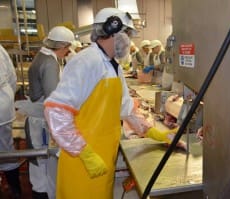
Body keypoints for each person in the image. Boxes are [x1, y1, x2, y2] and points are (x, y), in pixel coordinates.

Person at [43, 7, 185, 199]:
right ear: (112, 31)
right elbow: (56, 111)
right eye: (127, 34)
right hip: (82, 163)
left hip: (104, 158)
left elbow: (127, 111)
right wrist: (86, 154)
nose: (129, 41)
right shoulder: (87, 61)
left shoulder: (112, 66)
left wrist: (159, 135)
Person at [26, 26, 75, 199]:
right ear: (62, 45)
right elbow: (53, 99)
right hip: (41, 122)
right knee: (43, 166)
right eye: (68, 48)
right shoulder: (49, 63)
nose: (68, 51)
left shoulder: (43, 55)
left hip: (38, 117)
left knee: (40, 166)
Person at [0, 44, 21, 199]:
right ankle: (15, 189)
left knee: (6, 149)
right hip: (3, 109)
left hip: (3, 108)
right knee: (7, 148)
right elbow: (12, 77)